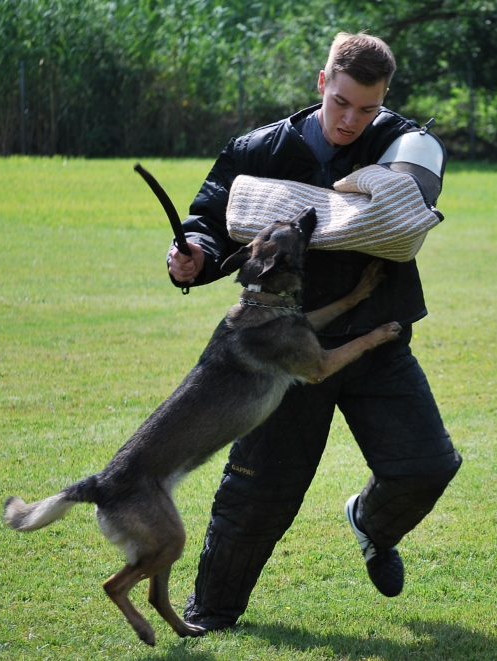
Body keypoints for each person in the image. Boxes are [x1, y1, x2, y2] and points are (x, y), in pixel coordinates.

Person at [167, 31, 462, 631]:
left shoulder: (404, 143)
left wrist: (299, 205)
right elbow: (211, 217)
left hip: (376, 336)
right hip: (279, 352)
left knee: (426, 467)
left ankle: (370, 523)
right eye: (340, 103)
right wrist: (195, 253)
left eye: (367, 109)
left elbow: (407, 215)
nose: (351, 121)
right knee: (259, 492)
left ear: (384, 100)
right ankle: (212, 613)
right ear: (323, 83)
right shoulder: (258, 148)